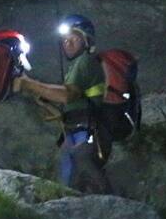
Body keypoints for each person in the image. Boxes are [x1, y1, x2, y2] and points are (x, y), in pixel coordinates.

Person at [13, 14, 113, 193]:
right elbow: (76, 102)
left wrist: (29, 84)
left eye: (74, 38)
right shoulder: (76, 66)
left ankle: (111, 206)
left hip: (88, 131)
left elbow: (67, 95)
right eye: (65, 39)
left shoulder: (85, 62)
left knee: (82, 168)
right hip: (75, 130)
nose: (68, 43)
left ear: (87, 41)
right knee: (71, 178)